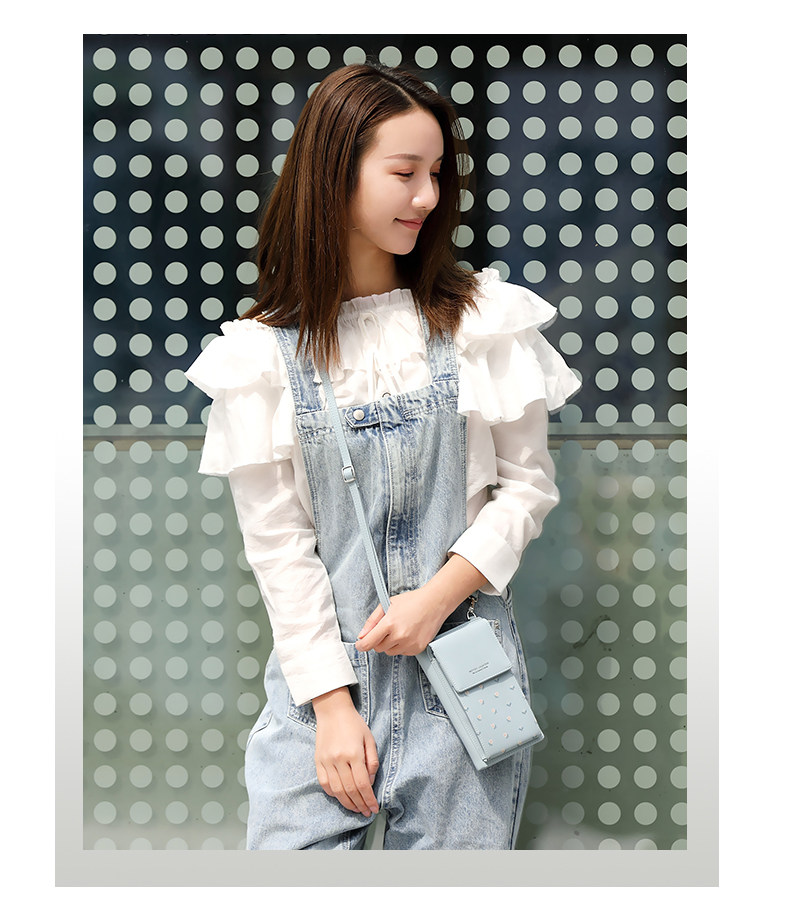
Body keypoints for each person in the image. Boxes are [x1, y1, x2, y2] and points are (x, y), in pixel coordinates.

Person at [185, 62, 580, 850]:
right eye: (405, 173)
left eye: (436, 174)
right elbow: (279, 550)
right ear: (335, 174)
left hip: (467, 677)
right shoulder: (259, 356)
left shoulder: (483, 323)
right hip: (320, 695)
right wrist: (333, 708)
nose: (427, 196)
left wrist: (434, 600)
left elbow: (527, 490)